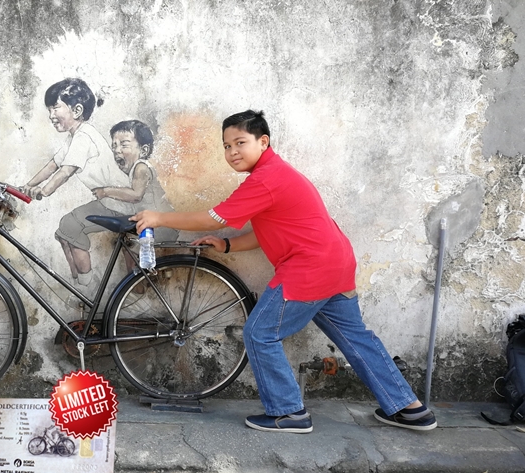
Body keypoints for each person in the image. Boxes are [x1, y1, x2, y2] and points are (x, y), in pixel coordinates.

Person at [131, 110, 437, 433]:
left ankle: (288, 412)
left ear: (263, 142)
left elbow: (215, 218)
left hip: (309, 269)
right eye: (226, 146)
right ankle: (409, 409)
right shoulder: (273, 174)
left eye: (240, 143)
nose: (232, 152)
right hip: (336, 263)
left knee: (259, 332)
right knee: (355, 338)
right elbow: (271, 229)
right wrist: (229, 247)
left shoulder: (265, 179)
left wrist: (158, 218)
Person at [23, 78, 136, 292]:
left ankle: (86, 287)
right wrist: (26, 186)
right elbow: (53, 165)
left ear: (76, 110)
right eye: (49, 109)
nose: (51, 115)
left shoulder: (84, 136)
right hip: (109, 202)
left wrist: (43, 191)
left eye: (55, 107)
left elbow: (66, 171)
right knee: (65, 231)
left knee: (70, 227)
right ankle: (78, 283)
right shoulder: (74, 137)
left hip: (117, 203)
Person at [98, 119, 178, 272]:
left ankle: (136, 288)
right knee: (127, 248)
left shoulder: (141, 167)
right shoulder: (134, 169)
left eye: (124, 144)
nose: (116, 150)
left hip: (161, 226)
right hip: (152, 223)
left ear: (144, 150)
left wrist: (106, 191)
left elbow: (136, 195)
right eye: (114, 145)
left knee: (131, 248)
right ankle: (135, 285)